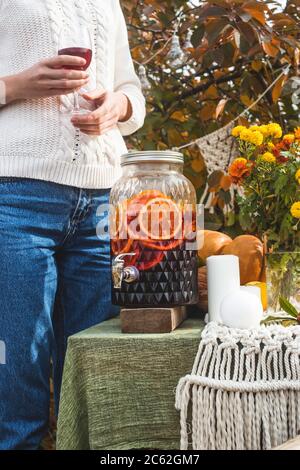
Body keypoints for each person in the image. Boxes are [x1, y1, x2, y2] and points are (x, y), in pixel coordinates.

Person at [0, 0, 145, 450]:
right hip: (16, 195)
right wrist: (16, 85)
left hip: (103, 200)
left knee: (91, 378)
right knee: (17, 370)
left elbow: (131, 93)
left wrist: (115, 108)